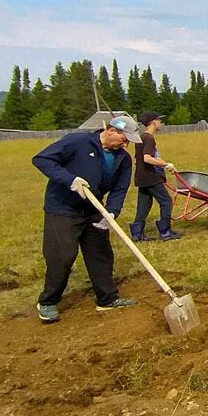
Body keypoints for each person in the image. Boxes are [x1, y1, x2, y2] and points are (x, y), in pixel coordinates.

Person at [32, 116, 141, 323]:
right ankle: (48, 302)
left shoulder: (123, 159)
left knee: (101, 255)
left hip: (93, 209)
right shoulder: (78, 142)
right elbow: (42, 159)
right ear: (111, 131)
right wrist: (69, 179)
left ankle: (107, 299)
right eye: (124, 139)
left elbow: (120, 189)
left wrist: (111, 213)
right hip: (63, 209)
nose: (126, 144)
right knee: (63, 255)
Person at [130, 111, 180, 242]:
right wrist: (166, 165)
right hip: (151, 177)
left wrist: (163, 163)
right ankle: (165, 232)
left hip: (141, 177)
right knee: (166, 201)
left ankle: (137, 234)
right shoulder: (149, 138)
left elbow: (138, 159)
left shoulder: (141, 137)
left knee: (144, 204)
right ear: (153, 122)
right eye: (159, 120)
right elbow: (147, 158)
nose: (160, 123)